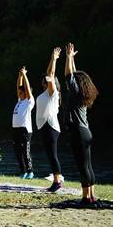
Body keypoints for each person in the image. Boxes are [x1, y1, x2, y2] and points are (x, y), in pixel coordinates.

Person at [63, 43, 99, 206]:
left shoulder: (76, 93)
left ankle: (86, 198)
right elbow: (74, 76)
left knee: (82, 166)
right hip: (86, 132)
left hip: (78, 132)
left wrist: (68, 57)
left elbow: (68, 76)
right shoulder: (83, 94)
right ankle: (91, 196)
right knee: (88, 165)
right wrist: (72, 59)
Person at [36, 47, 63, 192]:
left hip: (50, 127)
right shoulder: (46, 93)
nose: (43, 81)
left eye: (45, 81)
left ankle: (57, 181)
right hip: (45, 127)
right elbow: (48, 74)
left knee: (52, 155)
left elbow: (50, 74)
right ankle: (56, 180)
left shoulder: (52, 93)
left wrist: (54, 59)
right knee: (50, 155)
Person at [12, 66, 35, 179]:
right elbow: (18, 87)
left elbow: (27, 89)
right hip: (16, 129)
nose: (19, 93)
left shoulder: (29, 101)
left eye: (22, 92)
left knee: (25, 151)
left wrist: (25, 75)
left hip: (25, 129)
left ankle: (30, 171)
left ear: (26, 93)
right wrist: (20, 76)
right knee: (17, 151)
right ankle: (23, 171)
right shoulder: (20, 101)